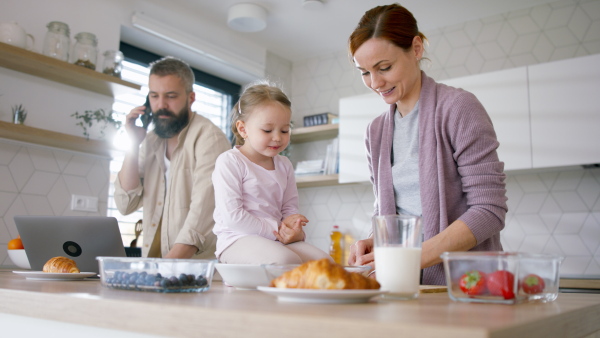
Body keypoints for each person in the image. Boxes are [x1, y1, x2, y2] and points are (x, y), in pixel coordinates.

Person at [347, 4, 508, 285]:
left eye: (384, 67)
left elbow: (489, 210)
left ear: (417, 48)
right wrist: (375, 240)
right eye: (364, 72)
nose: (375, 82)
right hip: (400, 284)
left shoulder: (459, 108)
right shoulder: (375, 131)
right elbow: (389, 211)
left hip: (466, 285)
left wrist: (411, 257)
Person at [114, 56, 230, 259]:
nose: (161, 105)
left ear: (190, 98)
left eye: (171, 96)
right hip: (157, 264)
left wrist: (164, 270)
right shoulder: (150, 141)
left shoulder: (209, 138)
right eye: (154, 96)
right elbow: (126, 204)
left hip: (195, 271)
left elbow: (203, 213)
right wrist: (133, 143)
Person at [212, 82, 330, 264]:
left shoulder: (284, 164)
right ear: (243, 129)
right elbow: (233, 218)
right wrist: (278, 229)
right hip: (236, 240)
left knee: (325, 263)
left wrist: (294, 229)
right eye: (267, 130)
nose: (278, 137)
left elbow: (289, 209)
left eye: (285, 130)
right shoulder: (230, 161)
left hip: (275, 238)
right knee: (285, 261)